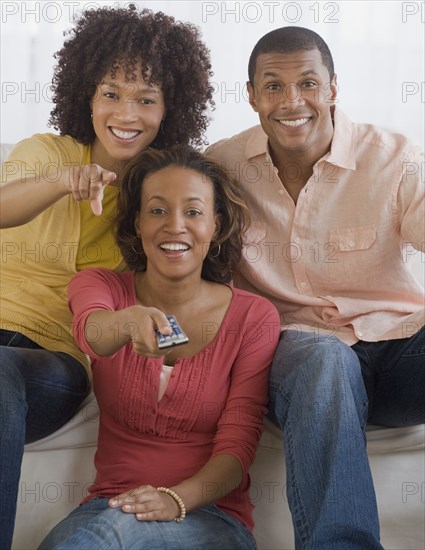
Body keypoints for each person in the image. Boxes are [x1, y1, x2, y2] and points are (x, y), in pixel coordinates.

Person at [0, 5, 214, 549]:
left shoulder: (159, 195)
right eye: (112, 93)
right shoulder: (44, 154)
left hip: (49, 362)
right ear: (87, 97)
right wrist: (63, 181)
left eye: (147, 99)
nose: (128, 112)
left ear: (170, 109)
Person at [206, 26, 425, 550]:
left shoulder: (393, 157)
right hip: (298, 354)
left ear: (332, 88)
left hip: (398, 347)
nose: (292, 101)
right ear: (252, 95)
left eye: (307, 83)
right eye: (274, 86)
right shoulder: (223, 168)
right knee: (326, 359)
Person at [37, 145, 280, 549]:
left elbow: (237, 448)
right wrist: (130, 320)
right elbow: (91, 332)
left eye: (193, 211)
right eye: (157, 210)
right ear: (137, 222)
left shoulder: (253, 318)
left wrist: (175, 498)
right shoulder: (101, 286)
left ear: (216, 225)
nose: (175, 225)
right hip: (106, 507)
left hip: (210, 518)